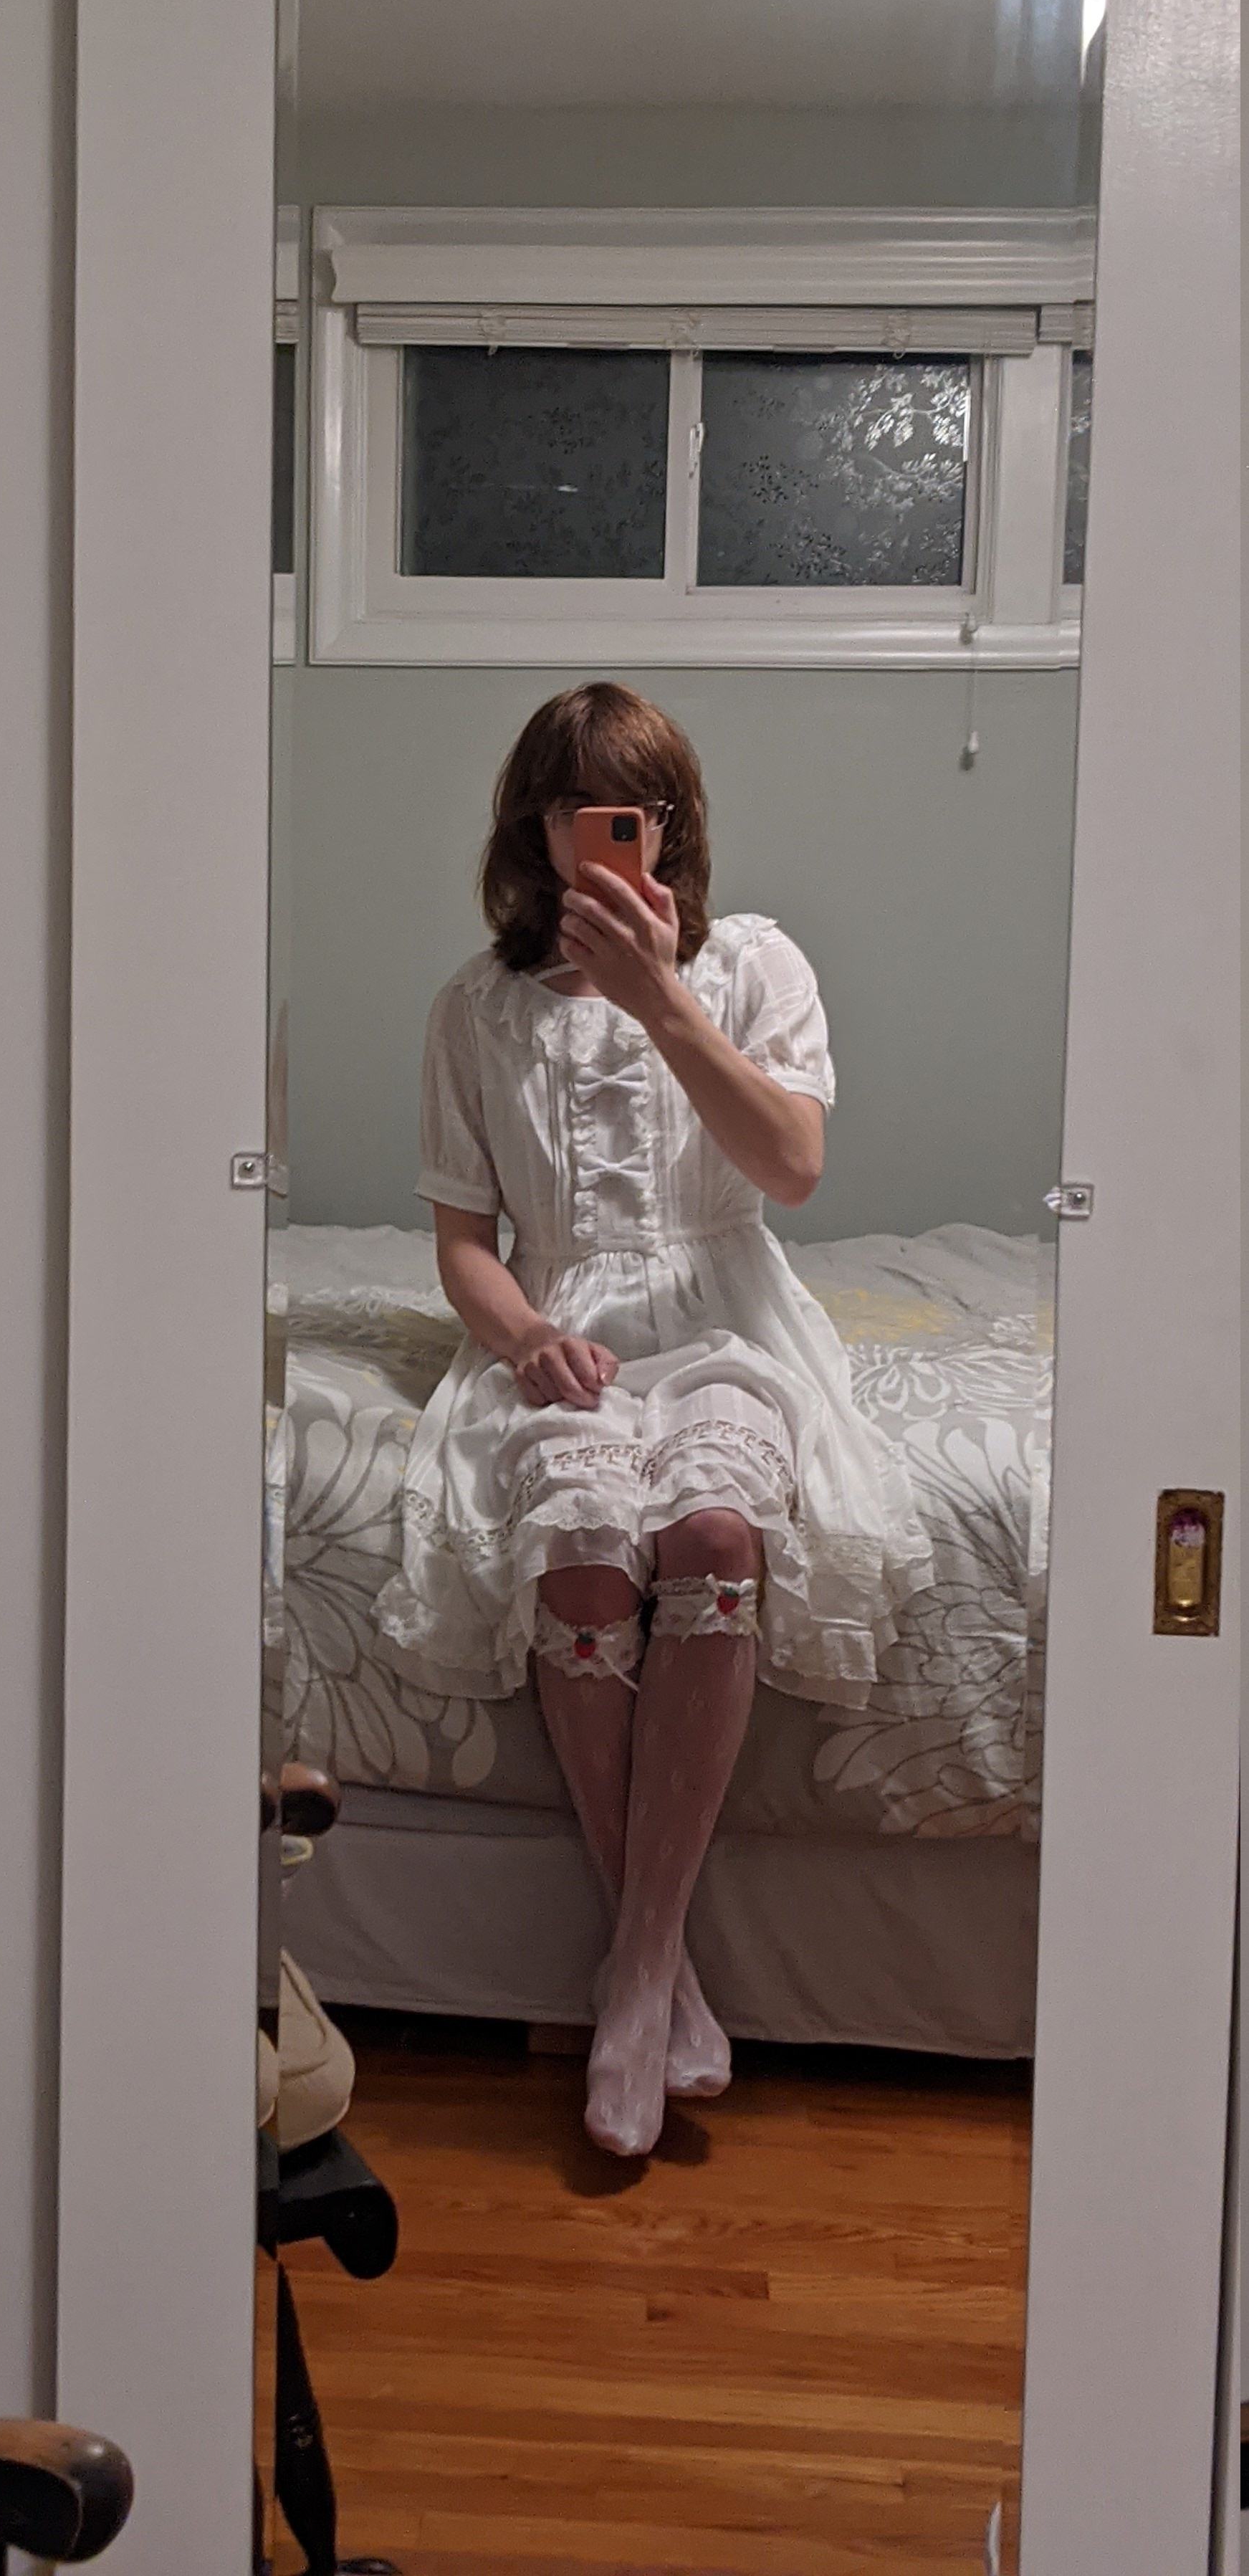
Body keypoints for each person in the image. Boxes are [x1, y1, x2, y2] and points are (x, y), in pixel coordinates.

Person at [371, 682, 932, 2158]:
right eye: (589, 809)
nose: (630, 835)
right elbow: (463, 1245)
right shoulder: (477, 1010)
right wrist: (525, 1337)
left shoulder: (751, 966)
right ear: (537, 828)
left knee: (715, 1533)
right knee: (578, 1559)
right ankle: (659, 1974)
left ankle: (630, 1973)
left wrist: (662, 997)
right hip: (563, 1330)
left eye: (650, 809)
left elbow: (791, 1167)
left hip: (726, 1315)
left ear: (677, 826)